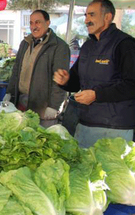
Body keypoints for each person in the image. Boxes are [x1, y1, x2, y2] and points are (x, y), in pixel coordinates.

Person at [53, 0, 135, 148]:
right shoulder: (87, 46)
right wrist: (65, 81)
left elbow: (131, 85)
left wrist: (96, 95)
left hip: (115, 129)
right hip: (84, 123)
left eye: (92, 15)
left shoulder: (125, 44)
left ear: (108, 17)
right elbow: (76, 82)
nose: (86, 20)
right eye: (85, 15)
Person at [3, 10, 70, 128]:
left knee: (42, 141)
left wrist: (54, 106)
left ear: (48, 22)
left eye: (38, 22)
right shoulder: (25, 43)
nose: (33, 26)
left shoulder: (59, 47)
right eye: (31, 23)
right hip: (22, 101)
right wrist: (9, 92)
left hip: (43, 106)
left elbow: (60, 80)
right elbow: (16, 70)